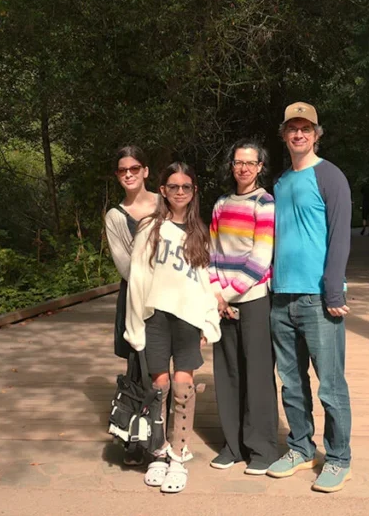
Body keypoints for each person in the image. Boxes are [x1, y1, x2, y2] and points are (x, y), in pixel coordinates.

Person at [266, 102, 353, 493]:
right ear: (284, 135)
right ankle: (301, 448)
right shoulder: (281, 182)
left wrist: (333, 289)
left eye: (306, 128)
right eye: (292, 128)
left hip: (319, 299)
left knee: (330, 385)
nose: (299, 134)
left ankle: (338, 458)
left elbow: (340, 236)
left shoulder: (330, 176)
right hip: (280, 297)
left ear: (317, 134)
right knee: (291, 382)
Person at [124, 162, 221, 494]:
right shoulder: (150, 227)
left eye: (187, 187)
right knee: (159, 385)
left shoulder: (199, 231)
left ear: (194, 191)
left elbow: (204, 281)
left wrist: (210, 319)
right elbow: (137, 278)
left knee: (183, 384)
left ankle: (179, 455)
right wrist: (135, 324)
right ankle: (158, 450)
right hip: (156, 317)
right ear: (162, 190)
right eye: (174, 186)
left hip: (188, 318)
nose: (180, 192)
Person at [208, 139, 278, 476]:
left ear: (260, 166)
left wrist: (230, 294)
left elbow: (261, 257)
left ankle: (262, 449)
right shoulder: (221, 203)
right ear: (231, 165)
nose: (244, 168)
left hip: (252, 300)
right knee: (228, 373)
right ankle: (233, 445)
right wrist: (216, 295)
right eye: (238, 162)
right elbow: (211, 253)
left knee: (258, 374)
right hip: (221, 302)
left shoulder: (264, 203)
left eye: (251, 163)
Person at [103, 146, 159, 465]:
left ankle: (163, 437)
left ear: (145, 171)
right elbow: (126, 267)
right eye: (123, 170)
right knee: (138, 369)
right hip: (136, 299)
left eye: (134, 168)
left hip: (168, 299)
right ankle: (134, 440)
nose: (129, 174)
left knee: (164, 369)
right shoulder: (115, 216)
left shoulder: (165, 203)